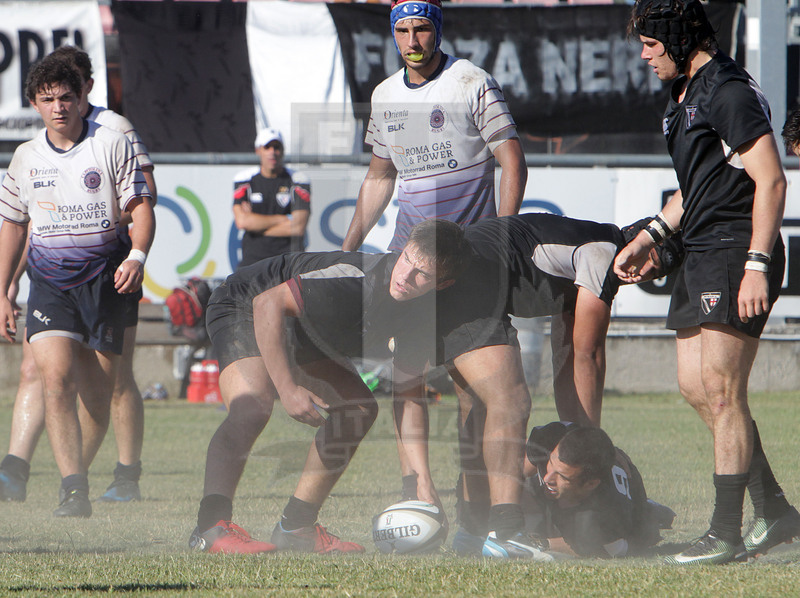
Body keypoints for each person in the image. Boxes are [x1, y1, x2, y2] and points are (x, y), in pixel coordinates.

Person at [614, 0, 800, 564]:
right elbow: (692, 189)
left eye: (650, 42)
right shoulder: (682, 97)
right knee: (698, 390)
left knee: (723, 393)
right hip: (697, 250)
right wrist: (653, 235)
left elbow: (771, 181)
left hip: (732, 251)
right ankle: (774, 511)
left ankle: (725, 533)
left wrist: (756, 264)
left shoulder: (728, 90)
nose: (644, 55)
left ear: (675, 36)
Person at [394, 213, 682, 559]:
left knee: (479, 404)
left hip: (468, 280)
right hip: (467, 284)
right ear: (639, 238)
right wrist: (594, 450)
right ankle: (503, 530)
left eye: (659, 272)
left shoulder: (588, 262)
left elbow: (567, 357)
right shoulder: (603, 254)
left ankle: (473, 530)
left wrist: (582, 444)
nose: (645, 273)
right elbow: (587, 356)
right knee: (502, 403)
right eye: (652, 260)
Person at [189, 219, 468, 554]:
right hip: (245, 302)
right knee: (252, 407)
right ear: (402, 247)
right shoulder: (359, 281)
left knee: (359, 409)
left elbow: (408, 394)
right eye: (407, 259)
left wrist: (421, 480)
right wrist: (288, 388)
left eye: (423, 274)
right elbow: (267, 304)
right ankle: (210, 528)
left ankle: (296, 527)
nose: (406, 276)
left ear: (443, 283)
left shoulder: (421, 317)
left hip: (302, 330)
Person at [0, 45, 157, 504]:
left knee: (107, 386)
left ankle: (122, 472)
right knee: (51, 375)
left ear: (84, 90)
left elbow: (143, 202)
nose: (59, 106)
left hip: (108, 278)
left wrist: (136, 255)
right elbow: (14, 224)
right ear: (34, 103)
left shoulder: (113, 135)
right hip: (50, 285)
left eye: (66, 96)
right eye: (48, 98)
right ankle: (63, 483)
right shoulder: (26, 157)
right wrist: (5, 287)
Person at [341, 0, 527, 253]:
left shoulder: (471, 81)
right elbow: (379, 178)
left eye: (422, 29)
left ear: (438, 32)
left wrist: (502, 241)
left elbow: (513, 163)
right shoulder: (384, 94)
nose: (412, 42)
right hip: (406, 253)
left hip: (467, 252)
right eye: (402, 31)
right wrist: (345, 252)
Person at [522, 422, 675, 559]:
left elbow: (612, 549)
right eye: (550, 463)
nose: (548, 478)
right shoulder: (552, 438)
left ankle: (650, 511)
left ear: (590, 484)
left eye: (562, 477)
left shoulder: (598, 520)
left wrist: (537, 544)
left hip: (627, 513)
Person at [233, 128, 310, 269]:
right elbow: (242, 221)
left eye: (276, 147)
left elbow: (298, 227)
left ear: (282, 150)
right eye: (267, 147)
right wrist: (283, 219)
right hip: (253, 262)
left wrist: (256, 226)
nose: (272, 152)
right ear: (258, 150)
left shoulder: (298, 180)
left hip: (289, 263)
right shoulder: (244, 180)